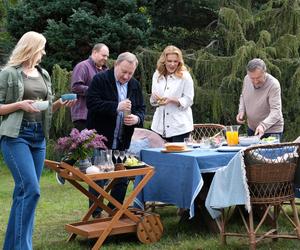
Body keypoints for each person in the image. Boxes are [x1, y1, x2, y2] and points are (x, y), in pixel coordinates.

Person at [0, 31, 75, 250]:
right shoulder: (8, 74)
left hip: (38, 136)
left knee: (23, 193)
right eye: (41, 48)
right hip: (16, 136)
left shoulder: (44, 74)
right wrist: (19, 105)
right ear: (31, 48)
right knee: (31, 189)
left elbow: (44, 108)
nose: (43, 52)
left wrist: (60, 104)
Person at [86, 52, 145, 214]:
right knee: (99, 178)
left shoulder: (134, 85)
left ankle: (115, 211)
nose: (126, 76)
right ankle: (95, 213)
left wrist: (136, 119)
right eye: (123, 72)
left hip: (122, 140)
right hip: (101, 139)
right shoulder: (100, 79)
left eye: (130, 73)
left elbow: (141, 108)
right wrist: (116, 107)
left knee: (122, 177)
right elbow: (91, 103)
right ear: (116, 65)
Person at [150, 45, 194, 142]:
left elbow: (189, 100)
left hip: (179, 128)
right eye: (169, 61)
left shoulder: (185, 76)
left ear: (179, 62)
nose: (172, 64)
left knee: (178, 156)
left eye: (175, 61)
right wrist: (154, 98)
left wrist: (172, 100)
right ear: (164, 61)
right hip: (158, 127)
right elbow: (153, 102)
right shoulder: (157, 75)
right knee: (159, 156)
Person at [236, 58, 284, 138]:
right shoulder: (247, 78)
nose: (255, 81)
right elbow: (243, 96)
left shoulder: (273, 85)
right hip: (252, 129)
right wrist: (241, 110)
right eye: (252, 78)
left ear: (265, 72)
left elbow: (276, 112)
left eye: (258, 78)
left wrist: (263, 125)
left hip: (271, 131)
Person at [71, 43, 109, 131]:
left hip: (101, 117)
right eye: (103, 55)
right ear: (94, 52)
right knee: (86, 144)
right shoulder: (82, 66)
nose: (106, 58)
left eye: (107, 56)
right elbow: (76, 87)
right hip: (84, 116)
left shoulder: (106, 71)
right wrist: (95, 91)